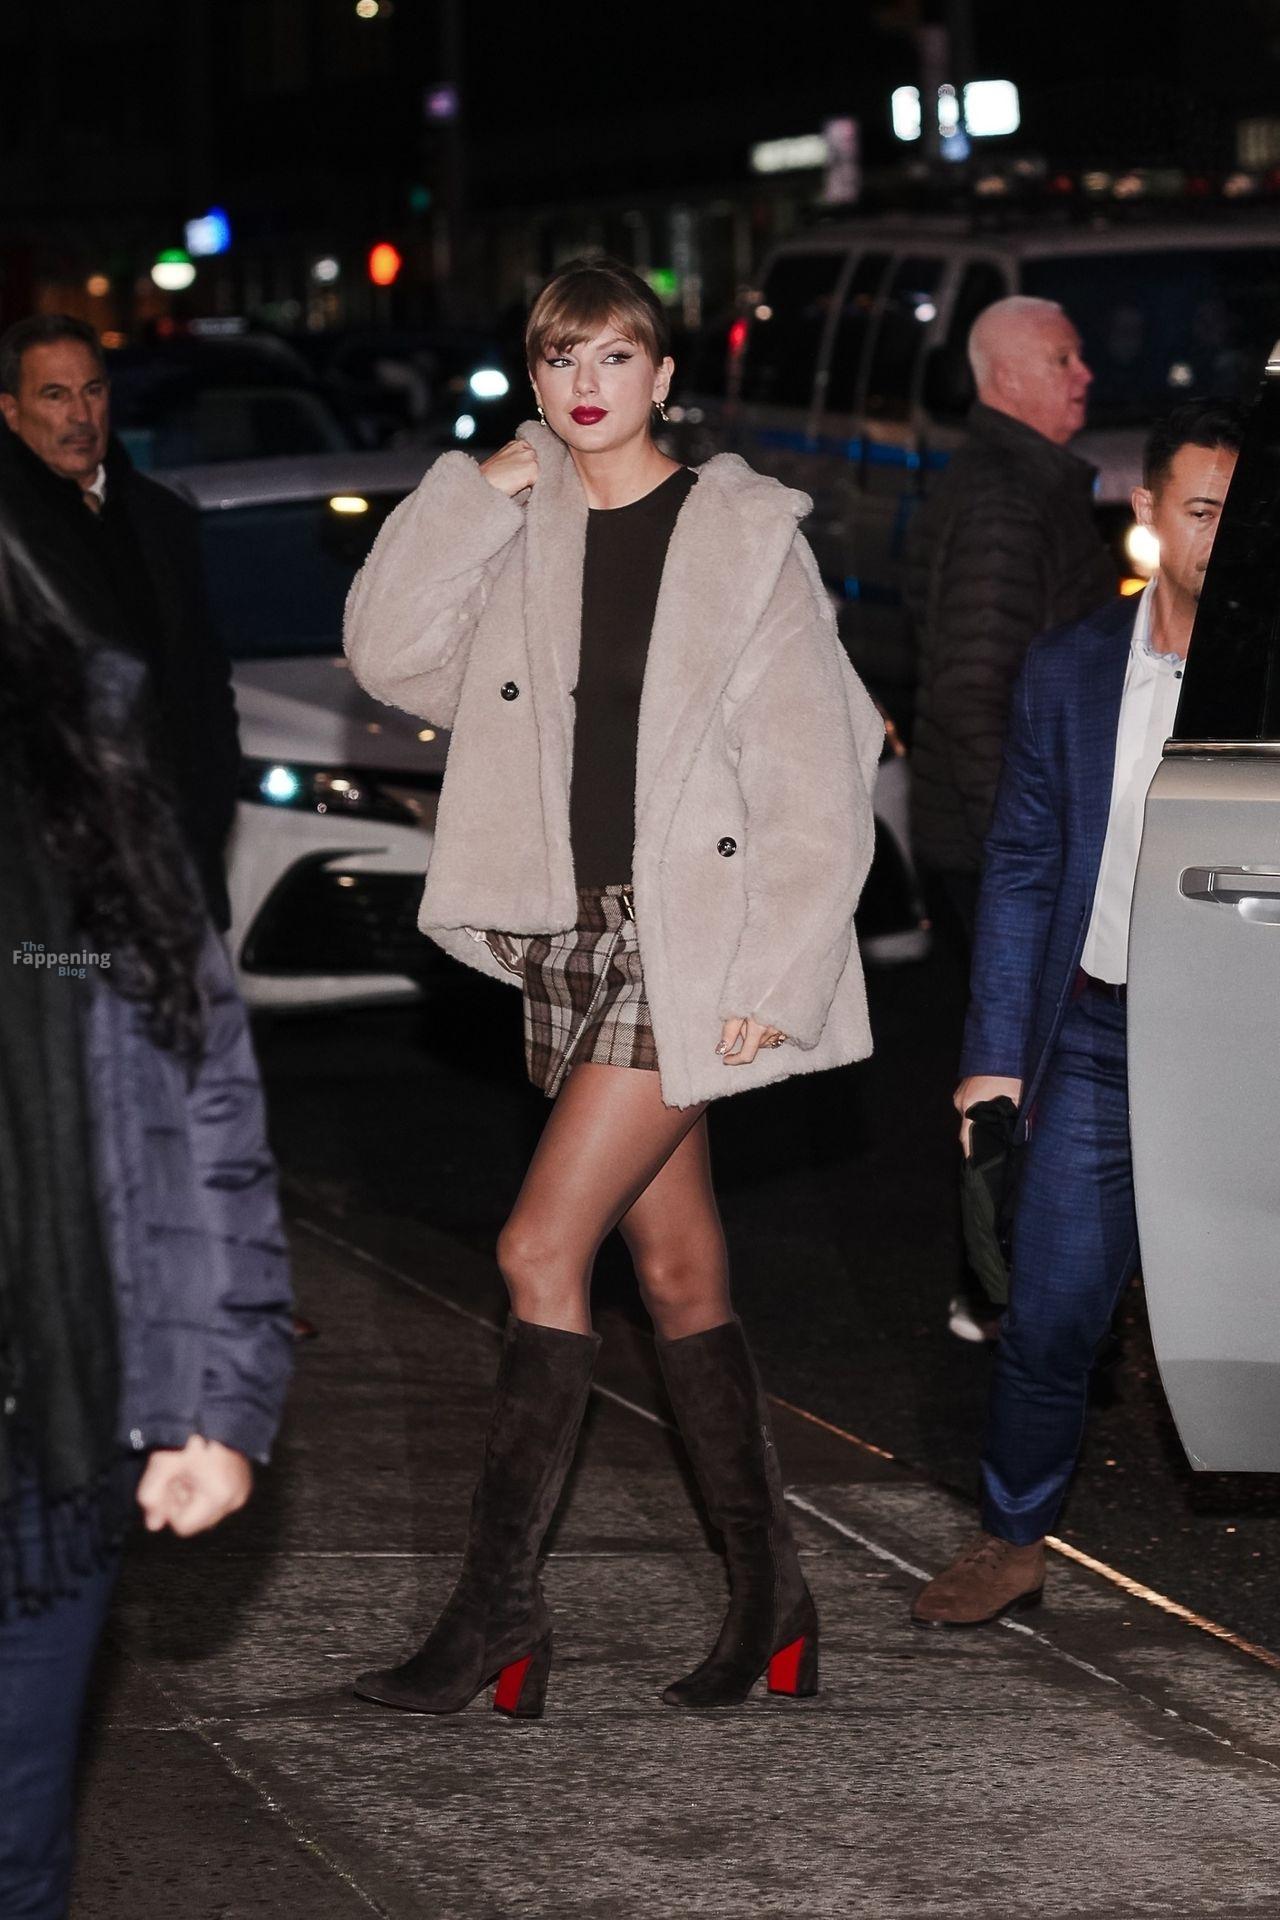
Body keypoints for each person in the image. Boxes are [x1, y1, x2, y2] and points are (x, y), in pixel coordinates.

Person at [344, 256, 883, 1716]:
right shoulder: (524, 533)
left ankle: (497, 1615)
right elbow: (385, 652)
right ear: (534, 380)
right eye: (560, 358)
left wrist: (778, 969)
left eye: (615, 356)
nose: (586, 385)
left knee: (537, 1247)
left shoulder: (739, 535)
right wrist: (477, 491)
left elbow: (816, 774)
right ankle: (774, 1600)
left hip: (685, 943)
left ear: (663, 376)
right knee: (679, 1270)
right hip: (567, 939)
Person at [910, 398, 1244, 1629]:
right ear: (1146, 513)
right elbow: (1019, 867)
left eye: (1245, 515)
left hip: (1245, 1048)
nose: (1223, 537)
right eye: (1200, 511)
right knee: (1046, 1311)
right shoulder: (1068, 670)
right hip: (1101, 1035)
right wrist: (993, 1058)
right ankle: (1010, 1540)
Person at [0, 526, 294, 1917]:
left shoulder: (81, 768)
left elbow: (205, 1108)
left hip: (50, 1426)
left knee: (14, 1844)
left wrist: (220, 1399)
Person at [905, 294, 1116, 1342]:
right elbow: (971, 691)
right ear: (1005, 377)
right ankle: (1004, 1291)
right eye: (1063, 358)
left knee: (1026, 1069)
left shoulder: (1022, 484)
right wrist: (1025, 858)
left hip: (998, 839)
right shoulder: (1005, 501)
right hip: (1002, 843)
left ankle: (1007, 1287)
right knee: (1025, 1073)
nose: (1084, 374)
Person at [0, 313, 239, 932]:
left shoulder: (162, 518)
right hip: (52, 893)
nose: (80, 415)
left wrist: (208, 813)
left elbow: (205, 683)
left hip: (177, 869)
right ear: (11, 411)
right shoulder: (10, 539)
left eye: (92, 390)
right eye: (55, 395)